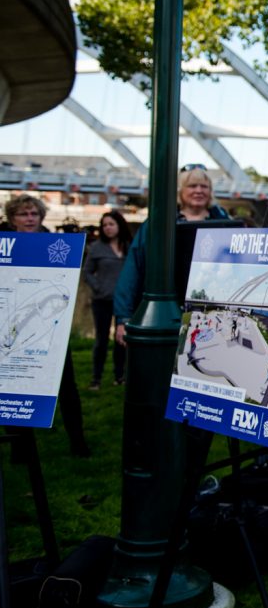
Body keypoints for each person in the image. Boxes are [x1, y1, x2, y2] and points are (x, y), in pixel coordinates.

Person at [3, 194, 89, 457]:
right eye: (23, 214)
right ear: (12, 218)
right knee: (14, 383)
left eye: (34, 214)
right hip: (12, 324)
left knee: (66, 385)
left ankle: (78, 441)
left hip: (52, 328)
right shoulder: (4, 245)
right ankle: (19, 446)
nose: (29, 219)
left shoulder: (57, 245)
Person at [114, 165, 230, 345]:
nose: (198, 190)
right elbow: (134, 267)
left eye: (204, 186)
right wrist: (123, 316)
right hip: (168, 313)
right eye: (192, 186)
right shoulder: (159, 222)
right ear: (180, 190)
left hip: (212, 313)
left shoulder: (224, 223)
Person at [83, 211, 132, 389]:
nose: (108, 228)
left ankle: (119, 376)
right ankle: (96, 379)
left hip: (124, 302)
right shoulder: (96, 247)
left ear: (120, 225)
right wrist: (98, 287)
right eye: (104, 225)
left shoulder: (129, 246)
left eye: (111, 224)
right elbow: (87, 272)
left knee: (122, 340)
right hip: (102, 300)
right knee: (101, 340)